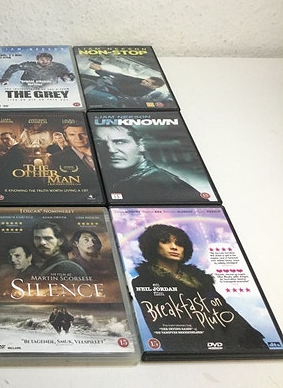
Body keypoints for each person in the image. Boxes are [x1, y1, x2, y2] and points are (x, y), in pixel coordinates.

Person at [132, 224, 268, 351]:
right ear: (152, 245)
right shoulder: (143, 282)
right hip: (191, 350)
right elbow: (161, 327)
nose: (174, 247)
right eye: (165, 241)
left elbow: (227, 313)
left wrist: (254, 341)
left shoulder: (201, 281)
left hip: (229, 347)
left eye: (179, 244)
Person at [93, 124, 206, 202]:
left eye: (120, 142)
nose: (111, 150)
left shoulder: (162, 182)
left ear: (141, 145)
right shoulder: (108, 178)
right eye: (100, 143)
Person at [85, 61, 165, 108]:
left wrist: (102, 72)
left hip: (112, 90)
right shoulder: (142, 82)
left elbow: (120, 87)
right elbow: (124, 77)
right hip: (112, 83)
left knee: (87, 81)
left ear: (154, 86)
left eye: (147, 82)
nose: (144, 81)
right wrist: (102, 70)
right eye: (146, 79)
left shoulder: (141, 90)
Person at [0, 52, 75, 87]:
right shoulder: (29, 65)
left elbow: (67, 76)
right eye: (42, 59)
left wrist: (68, 77)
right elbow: (13, 68)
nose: (44, 61)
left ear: (51, 60)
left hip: (50, 90)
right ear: (37, 60)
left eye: (47, 59)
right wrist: (5, 78)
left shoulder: (58, 67)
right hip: (28, 88)